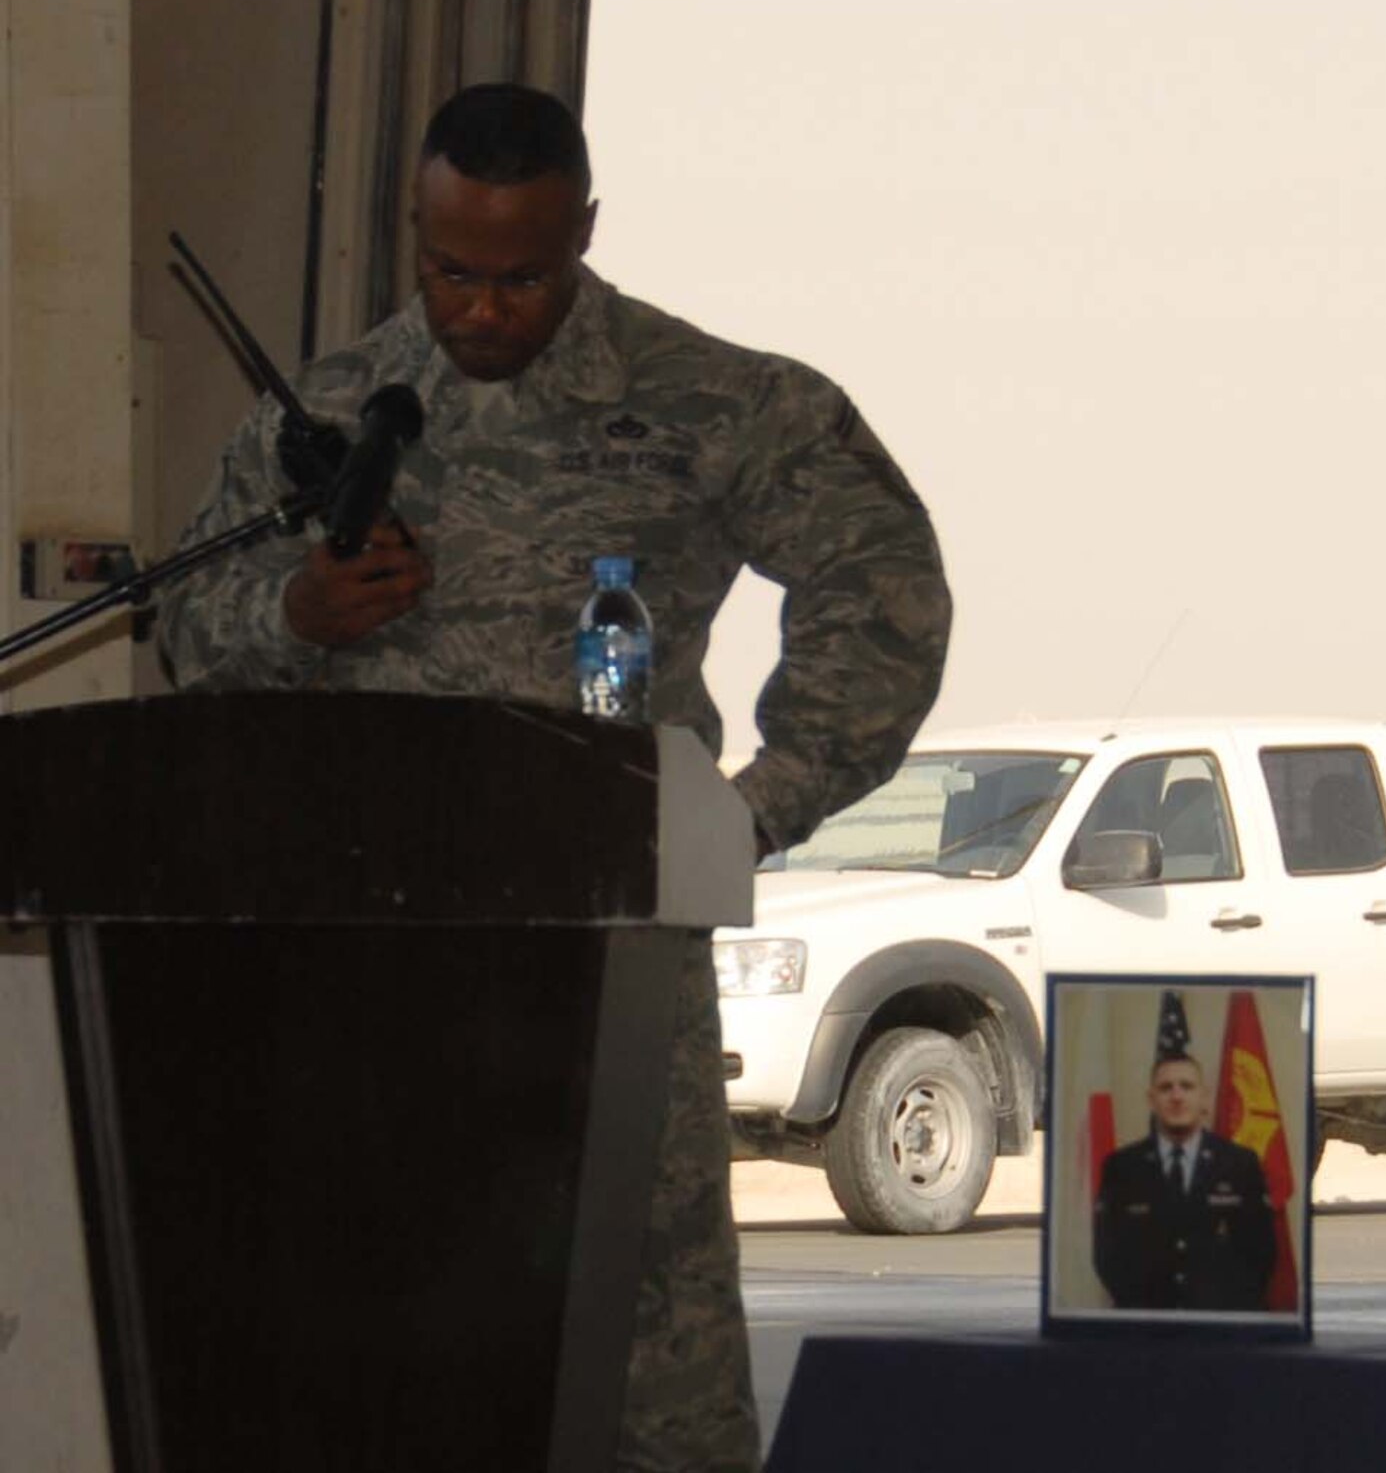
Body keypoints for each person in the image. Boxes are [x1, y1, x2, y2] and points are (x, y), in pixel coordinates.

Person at [158, 82, 951, 1471]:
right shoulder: (337, 412)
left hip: (606, 967)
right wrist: (297, 614)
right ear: (417, 231)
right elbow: (183, 625)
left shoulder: (715, 399)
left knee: (651, 1370)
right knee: (362, 1358)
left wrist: (753, 806)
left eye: (523, 276)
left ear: (584, 231)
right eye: (452, 269)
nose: (482, 309)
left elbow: (884, 587)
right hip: (361, 977)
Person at [1092, 1054, 1278, 1312]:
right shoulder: (1122, 1167)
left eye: (1187, 1086)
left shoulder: (1240, 1164)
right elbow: (1108, 1257)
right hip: (1146, 1327)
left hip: (1221, 1326)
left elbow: (1261, 1255)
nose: (1177, 1096)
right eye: (1166, 1088)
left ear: (1204, 1097)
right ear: (1151, 1100)